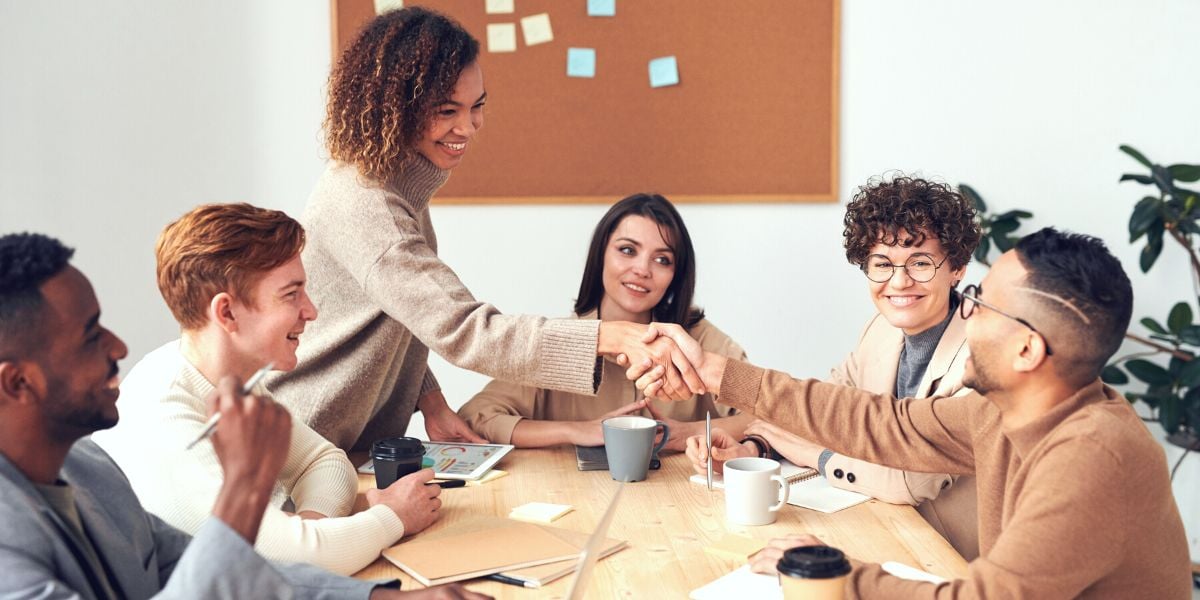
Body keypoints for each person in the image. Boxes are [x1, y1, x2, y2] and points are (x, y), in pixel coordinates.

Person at [633, 228, 1192, 598]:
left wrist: (840, 576)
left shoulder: (1093, 455)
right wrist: (718, 373)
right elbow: (881, 423)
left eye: (979, 302)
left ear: (1027, 349)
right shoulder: (999, 412)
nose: (964, 315)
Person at [268, 6, 702, 453]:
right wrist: (606, 336)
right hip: (303, 444)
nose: (468, 126)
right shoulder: (369, 205)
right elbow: (465, 329)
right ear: (395, 109)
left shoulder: (394, 185)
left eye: (477, 106)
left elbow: (402, 315)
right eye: (446, 110)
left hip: (345, 446)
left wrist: (430, 401)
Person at [0, 232, 488, 599]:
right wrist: (246, 488)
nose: (119, 346)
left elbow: (216, 570)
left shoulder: (87, 468)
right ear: (17, 382)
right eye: (91, 336)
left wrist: (380, 599)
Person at [93, 204, 440, 576]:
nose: (311, 311)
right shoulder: (165, 416)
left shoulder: (228, 379)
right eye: (291, 295)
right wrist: (392, 517)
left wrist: (309, 531)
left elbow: (324, 462)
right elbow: (279, 562)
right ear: (226, 314)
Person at [685, 175, 983, 558]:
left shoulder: (980, 355)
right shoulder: (880, 330)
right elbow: (822, 410)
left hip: (953, 559)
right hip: (885, 533)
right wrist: (754, 447)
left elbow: (910, 483)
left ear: (957, 267)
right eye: (882, 264)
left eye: (920, 263)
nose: (899, 281)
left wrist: (816, 456)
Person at [457, 194, 746, 450]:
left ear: (676, 275)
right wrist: (576, 430)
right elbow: (476, 417)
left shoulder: (701, 340)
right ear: (601, 255)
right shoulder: (559, 343)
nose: (642, 270)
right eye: (628, 250)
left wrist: (692, 433)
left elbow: (773, 414)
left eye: (662, 260)